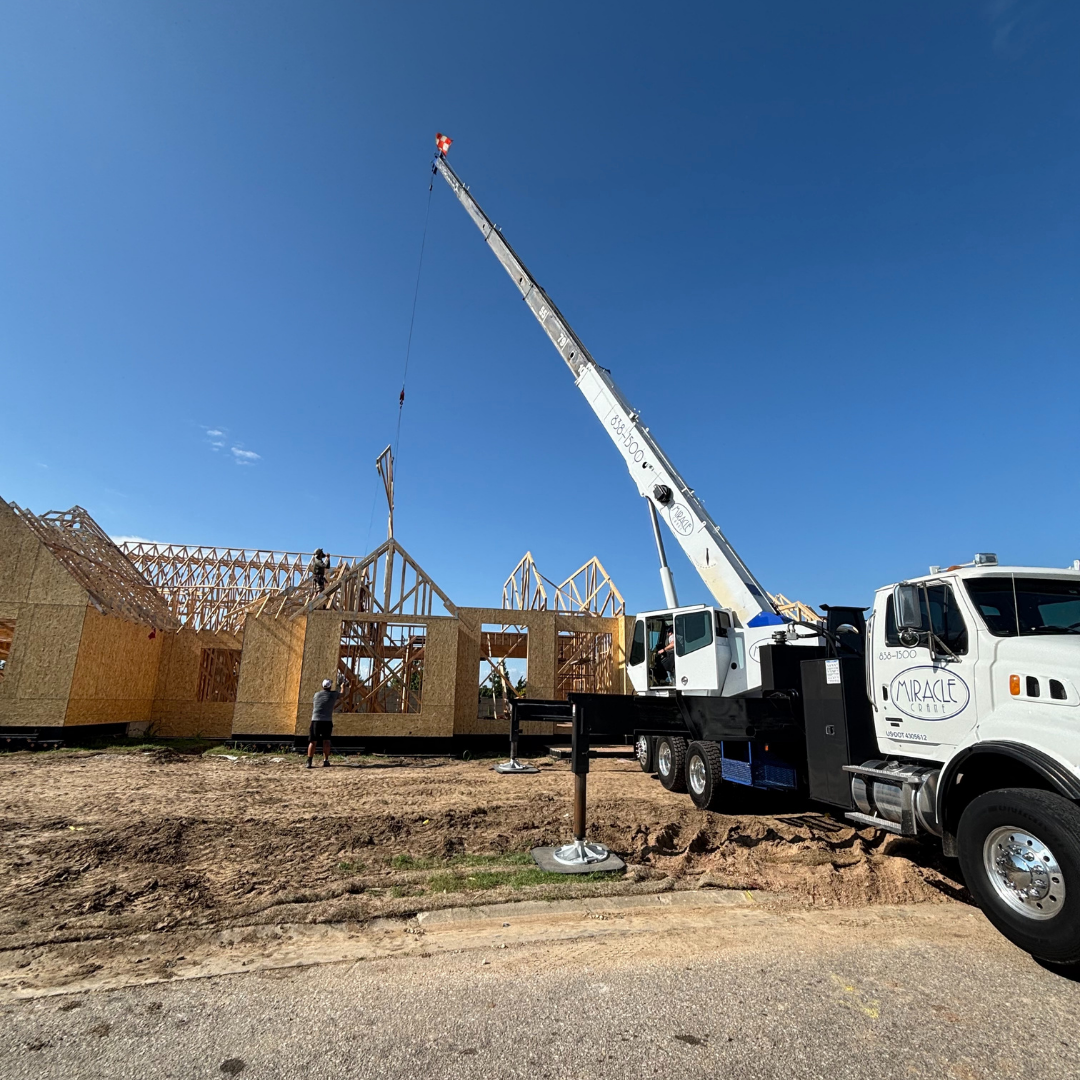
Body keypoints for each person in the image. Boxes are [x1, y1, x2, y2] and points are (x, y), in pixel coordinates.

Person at [307, 673, 345, 768]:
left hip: (315, 720)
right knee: (326, 741)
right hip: (327, 721)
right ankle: (326, 760)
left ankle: (309, 761)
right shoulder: (333, 695)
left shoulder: (316, 695)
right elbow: (342, 694)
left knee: (313, 741)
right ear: (330, 686)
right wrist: (342, 686)